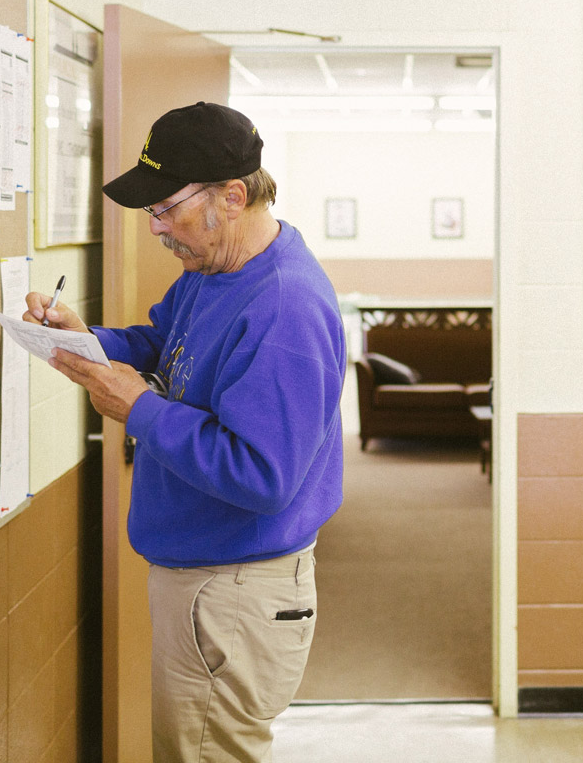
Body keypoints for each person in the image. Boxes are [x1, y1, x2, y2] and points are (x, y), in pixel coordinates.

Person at [25, 102, 345, 763]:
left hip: (235, 585)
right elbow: (162, 342)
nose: (158, 229)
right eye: (152, 214)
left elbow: (263, 477)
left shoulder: (285, 307)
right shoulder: (213, 269)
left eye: (167, 209)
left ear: (232, 196)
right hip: (203, 571)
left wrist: (138, 410)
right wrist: (85, 338)